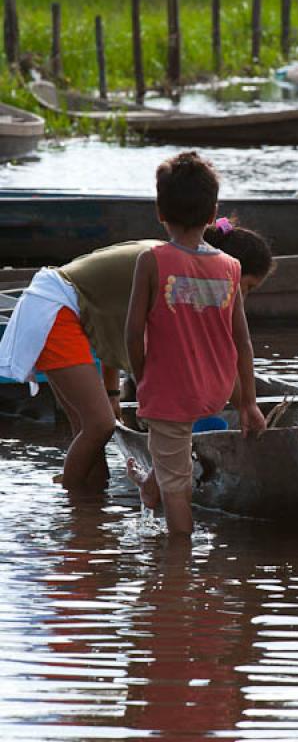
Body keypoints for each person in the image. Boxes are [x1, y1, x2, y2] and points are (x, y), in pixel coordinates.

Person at [0, 159, 273, 497]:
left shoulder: (175, 262)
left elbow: (109, 318)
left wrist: (113, 393)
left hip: (70, 310)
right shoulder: (164, 266)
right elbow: (124, 330)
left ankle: (90, 522)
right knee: (99, 424)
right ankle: (71, 508)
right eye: (243, 288)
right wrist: (247, 402)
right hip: (54, 309)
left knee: (89, 428)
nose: (240, 298)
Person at [125, 151, 267, 537]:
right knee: (172, 458)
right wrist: (249, 402)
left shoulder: (151, 260)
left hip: (170, 393)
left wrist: (142, 379)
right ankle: (150, 488)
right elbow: (243, 340)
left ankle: (179, 573)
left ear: (159, 211)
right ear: (212, 214)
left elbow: (132, 333)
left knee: (179, 491)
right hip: (214, 389)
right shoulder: (231, 267)